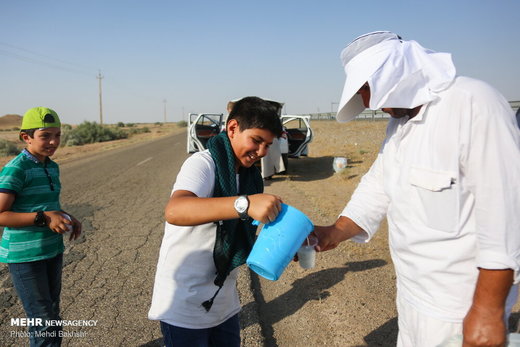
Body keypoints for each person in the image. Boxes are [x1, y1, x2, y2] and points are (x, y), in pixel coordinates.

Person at [314, 31, 520, 347]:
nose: (368, 103)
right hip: (411, 299)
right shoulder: (398, 127)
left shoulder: (473, 103)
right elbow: (376, 189)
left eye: (367, 89)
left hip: (460, 308)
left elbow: (507, 212)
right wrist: (334, 231)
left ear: (394, 73)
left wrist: (487, 310)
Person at [148, 96, 284, 346]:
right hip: (184, 305)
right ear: (232, 128)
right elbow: (175, 210)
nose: (262, 152)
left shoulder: (250, 177)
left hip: (224, 303)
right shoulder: (203, 164)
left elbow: (247, 233)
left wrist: (285, 244)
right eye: (256, 140)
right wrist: (244, 204)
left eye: (268, 144)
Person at [0, 107, 82, 346]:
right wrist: (44, 218)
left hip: (51, 250)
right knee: (43, 319)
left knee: (52, 313)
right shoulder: (17, 168)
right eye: (45, 135)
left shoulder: (51, 166)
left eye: (57, 135)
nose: (54, 141)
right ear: (27, 137)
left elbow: (47, 205)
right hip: (25, 256)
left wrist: (67, 216)